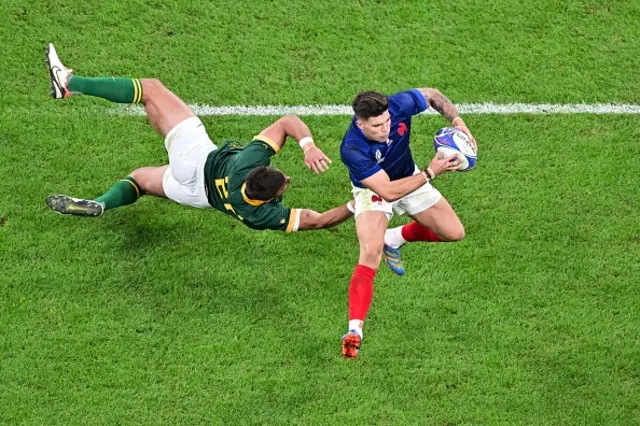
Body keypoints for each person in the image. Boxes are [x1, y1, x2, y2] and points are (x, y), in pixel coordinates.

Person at [44, 43, 354, 232]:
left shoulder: (248, 161)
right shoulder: (259, 214)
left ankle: (69, 83)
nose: (287, 177)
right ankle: (99, 204)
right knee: (139, 180)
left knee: (151, 89)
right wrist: (358, 205)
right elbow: (319, 221)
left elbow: (288, 121)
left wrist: (308, 145)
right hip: (197, 196)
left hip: (195, 158)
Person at [339, 88, 477, 359]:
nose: (385, 128)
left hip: (410, 177)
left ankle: (395, 237)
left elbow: (434, 95)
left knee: (454, 232)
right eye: (377, 126)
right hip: (376, 191)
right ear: (360, 123)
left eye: (387, 121)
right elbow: (388, 192)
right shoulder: (352, 148)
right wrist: (430, 172)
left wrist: (458, 123)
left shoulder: (399, 105)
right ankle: (354, 330)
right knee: (369, 253)